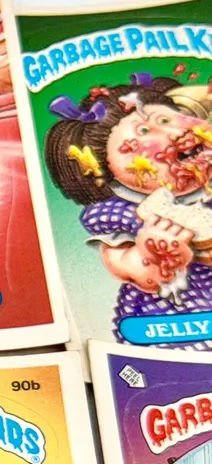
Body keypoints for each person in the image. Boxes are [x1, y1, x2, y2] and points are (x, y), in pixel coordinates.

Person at [43, 74, 212, 346]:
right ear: (111, 173)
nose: (173, 133)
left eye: (165, 119)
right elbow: (121, 260)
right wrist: (152, 257)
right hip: (175, 322)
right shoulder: (119, 212)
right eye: (142, 132)